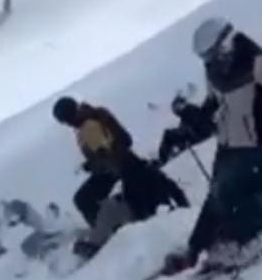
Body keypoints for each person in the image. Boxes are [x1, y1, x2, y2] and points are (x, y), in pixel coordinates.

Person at [162, 17, 262, 273]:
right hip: (228, 141)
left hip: (257, 141)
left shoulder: (257, 62)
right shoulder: (215, 71)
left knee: (247, 194)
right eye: (206, 57)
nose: (210, 61)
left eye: (212, 54)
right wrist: (189, 115)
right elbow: (215, 103)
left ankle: (257, 238)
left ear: (225, 43)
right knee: (217, 194)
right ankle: (195, 248)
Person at [53, 96, 189, 258]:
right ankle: (105, 231)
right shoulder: (92, 118)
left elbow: (105, 155)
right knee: (95, 200)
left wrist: (92, 165)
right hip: (128, 168)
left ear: (68, 116)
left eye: (64, 120)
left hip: (122, 170)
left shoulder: (88, 126)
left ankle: (105, 237)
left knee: (86, 199)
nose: (67, 124)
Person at [156, 94, 217, 165]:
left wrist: (185, 133)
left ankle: (163, 159)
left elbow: (194, 124)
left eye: (177, 107)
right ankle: (168, 152)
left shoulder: (189, 111)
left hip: (197, 136)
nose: (176, 110)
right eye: (175, 108)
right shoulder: (189, 111)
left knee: (168, 134)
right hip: (197, 135)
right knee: (171, 134)